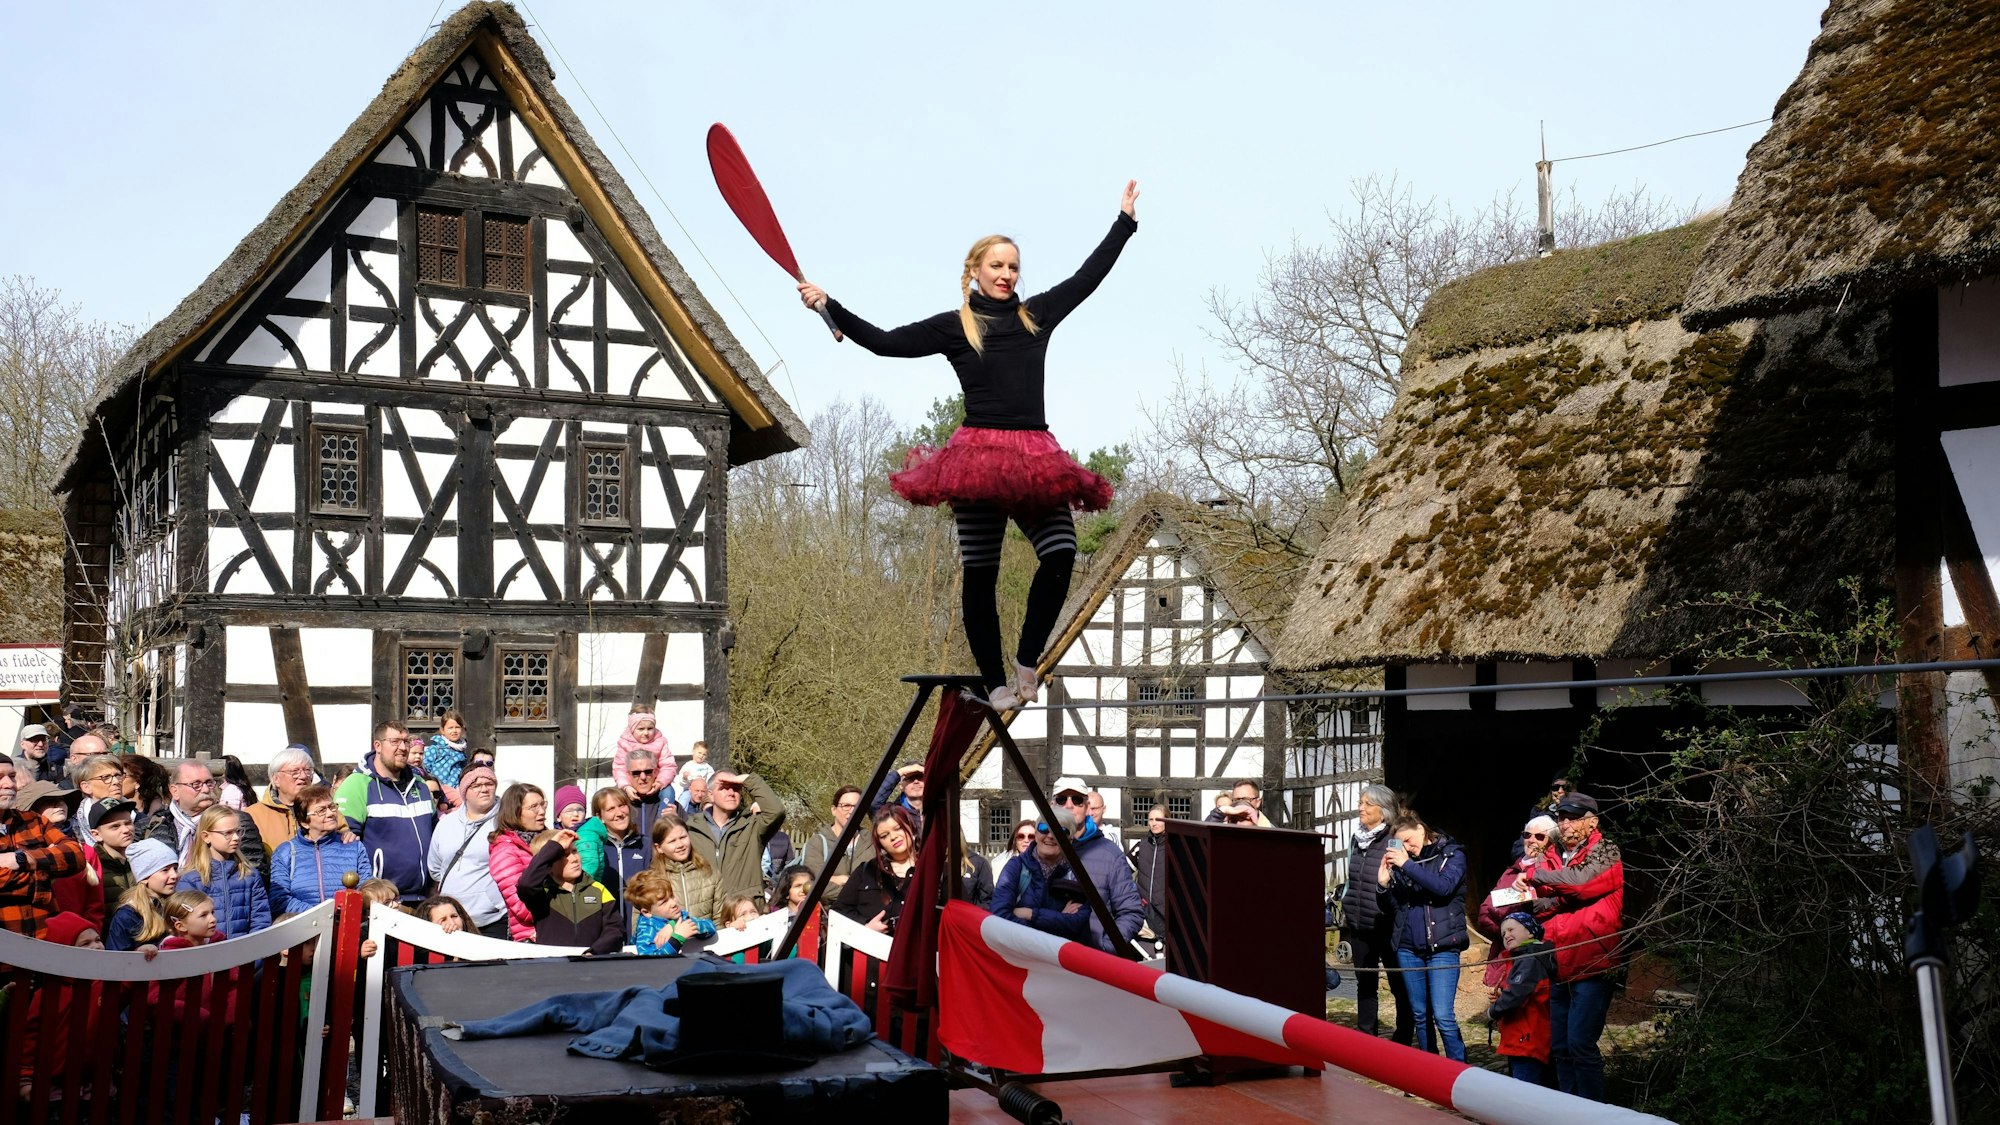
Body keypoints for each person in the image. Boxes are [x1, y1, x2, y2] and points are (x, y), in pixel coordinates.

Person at [797, 182, 1140, 709]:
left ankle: (1027, 657)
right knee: (982, 573)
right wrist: (831, 307)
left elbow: (1087, 279)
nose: (1006, 275)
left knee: (1061, 553)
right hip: (976, 460)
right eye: (997, 266)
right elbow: (888, 342)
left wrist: (1123, 223)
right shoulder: (956, 326)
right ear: (974, 271)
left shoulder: (1036, 316)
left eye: (1013, 267)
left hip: (1035, 457)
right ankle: (995, 681)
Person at [1515, 791, 1624, 1102]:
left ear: (1592, 822)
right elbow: (1540, 906)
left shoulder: (1606, 852)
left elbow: (1580, 884)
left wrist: (1540, 880)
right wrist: (1552, 891)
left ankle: (1592, 1113)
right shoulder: (1552, 856)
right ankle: (1568, 1109)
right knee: (1560, 1047)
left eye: (1572, 818)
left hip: (1591, 962)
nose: (1564, 824)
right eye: (1561, 818)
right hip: (1558, 961)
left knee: (1580, 1044)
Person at [1378, 812, 1469, 1062]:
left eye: (1408, 839)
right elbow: (1394, 907)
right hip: (1408, 947)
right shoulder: (1405, 863)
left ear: (1421, 828)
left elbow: (1443, 888)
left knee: (1443, 1015)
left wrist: (1406, 863)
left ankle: (1459, 1071)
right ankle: (1430, 1070)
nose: (1407, 847)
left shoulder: (1452, 855)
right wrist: (1383, 885)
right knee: (1420, 1014)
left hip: (1443, 946)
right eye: (1401, 844)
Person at [1343, 785, 1416, 1046]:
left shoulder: (1394, 840)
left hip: (1386, 923)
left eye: (1367, 804)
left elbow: (1400, 880)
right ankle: (1366, 1038)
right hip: (1360, 921)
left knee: (1399, 985)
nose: (1360, 808)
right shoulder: (1356, 838)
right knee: (1365, 983)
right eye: (1360, 803)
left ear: (1383, 811)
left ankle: (1403, 1036)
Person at [334, 720, 438, 903]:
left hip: (424, 898)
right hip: (382, 901)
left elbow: (436, 834)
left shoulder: (420, 785)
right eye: (395, 741)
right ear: (378, 745)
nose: (403, 748)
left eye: (406, 742)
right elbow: (344, 845)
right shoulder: (357, 785)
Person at [1050, 778, 1146, 955]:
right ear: (1052, 804)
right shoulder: (1037, 851)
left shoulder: (1110, 854)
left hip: (1091, 962)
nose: (1069, 806)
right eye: (1062, 799)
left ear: (1087, 807)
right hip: (1046, 958)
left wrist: (1105, 947)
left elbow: (1131, 912)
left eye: (1077, 800)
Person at [0, 764, 86, 937]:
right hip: (5, 942)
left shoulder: (33, 820)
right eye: (0, 777)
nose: (9, 784)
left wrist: (23, 859)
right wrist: (48, 872)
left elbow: (76, 855)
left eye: (12, 776)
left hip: (46, 939)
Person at [427, 766, 507, 938]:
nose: (484, 789)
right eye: (476, 785)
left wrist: (491, 899)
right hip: (452, 922)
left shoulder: (507, 820)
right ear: (464, 791)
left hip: (493, 918)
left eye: (489, 783)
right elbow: (435, 869)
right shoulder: (446, 823)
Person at [684, 769, 786, 903]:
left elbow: (776, 811)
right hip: (705, 915)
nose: (731, 793)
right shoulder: (692, 828)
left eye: (736, 788)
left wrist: (748, 780)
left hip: (745, 912)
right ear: (711, 795)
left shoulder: (752, 827)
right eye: (725, 788)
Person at [517, 828, 624, 954]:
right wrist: (553, 846)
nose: (574, 859)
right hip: (552, 968)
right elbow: (525, 885)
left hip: (592, 966)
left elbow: (615, 930)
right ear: (548, 863)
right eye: (564, 855)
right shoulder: (542, 892)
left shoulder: (598, 890)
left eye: (574, 851)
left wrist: (594, 952)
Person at [270, 785, 373, 915]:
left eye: (332, 807)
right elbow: (279, 899)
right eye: (321, 811)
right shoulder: (285, 852)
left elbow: (368, 889)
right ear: (304, 822)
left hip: (346, 925)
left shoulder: (353, 846)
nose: (330, 814)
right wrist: (320, 914)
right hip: (303, 928)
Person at [991, 808, 1088, 942]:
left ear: (1070, 839)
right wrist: (1057, 919)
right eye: (1044, 828)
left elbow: (1077, 922)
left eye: (1061, 831)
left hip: (1058, 959)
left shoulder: (1077, 872)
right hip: (1022, 956)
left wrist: (1030, 914)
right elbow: (999, 915)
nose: (1051, 835)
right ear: (1036, 834)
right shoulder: (1016, 867)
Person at [177, 806, 272, 938]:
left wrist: (253, 954)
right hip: (207, 955)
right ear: (206, 836)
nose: (236, 838)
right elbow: (187, 926)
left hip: (245, 954)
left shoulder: (249, 874)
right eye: (227, 833)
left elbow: (261, 920)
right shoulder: (191, 879)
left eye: (238, 831)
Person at [1486, 912, 1557, 1085]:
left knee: (1524, 1090)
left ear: (1530, 932)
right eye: (1503, 934)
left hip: (1526, 1039)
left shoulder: (1528, 959)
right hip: (1524, 1038)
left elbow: (1517, 993)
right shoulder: (1524, 958)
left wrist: (1493, 1011)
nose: (1507, 935)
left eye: (1511, 929)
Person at [835, 805, 920, 934]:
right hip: (872, 950)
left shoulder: (937, 870)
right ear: (879, 843)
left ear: (911, 828)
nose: (893, 837)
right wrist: (865, 927)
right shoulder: (866, 871)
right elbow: (839, 911)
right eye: (884, 835)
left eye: (898, 829)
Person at [576, 786, 650, 927]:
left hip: (640, 930)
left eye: (622, 806)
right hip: (604, 929)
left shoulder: (645, 845)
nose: (619, 813)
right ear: (599, 817)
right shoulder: (594, 848)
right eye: (610, 809)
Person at [486, 783, 548, 941]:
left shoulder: (550, 840)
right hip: (532, 937)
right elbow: (522, 907)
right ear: (515, 812)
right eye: (533, 807)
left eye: (542, 804)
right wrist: (563, 909)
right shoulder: (504, 851)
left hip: (557, 930)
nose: (541, 811)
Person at [801, 786, 875, 903]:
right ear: (833, 810)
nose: (852, 811)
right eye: (846, 806)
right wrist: (855, 894)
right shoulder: (818, 843)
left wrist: (836, 880)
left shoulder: (872, 842)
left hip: (865, 914)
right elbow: (815, 886)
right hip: (828, 913)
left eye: (857, 806)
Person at [105, 838, 179, 952]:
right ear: (144, 878)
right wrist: (137, 954)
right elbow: (116, 959)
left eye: (175, 868)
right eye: (165, 870)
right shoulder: (128, 915)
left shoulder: (180, 904)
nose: (174, 875)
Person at [648, 815, 722, 925]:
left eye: (683, 837)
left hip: (707, 940)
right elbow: (642, 926)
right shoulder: (651, 881)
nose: (680, 845)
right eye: (672, 841)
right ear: (659, 848)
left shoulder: (710, 873)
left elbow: (719, 919)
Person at [249, 745, 318, 856]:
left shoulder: (326, 809)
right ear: (276, 779)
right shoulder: (253, 815)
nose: (303, 776)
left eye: (307, 770)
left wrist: (346, 835)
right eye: (295, 771)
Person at [626, 869, 712, 956]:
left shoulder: (677, 917)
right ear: (647, 912)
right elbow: (650, 961)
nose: (673, 903)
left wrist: (673, 925)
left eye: (672, 896)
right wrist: (677, 939)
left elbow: (711, 927)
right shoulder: (647, 930)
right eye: (664, 902)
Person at [87, 796, 140, 922]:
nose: (126, 830)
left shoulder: (144, 858)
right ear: (96, 835)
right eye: (115, 826)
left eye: (128, 823)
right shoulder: (91, 869)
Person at [1129, 804, 1169, 951]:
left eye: (1158, 819)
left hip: (1166, 915)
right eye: (1150, 819)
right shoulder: (1141, 845)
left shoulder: (1175, 846)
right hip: (1144, 912)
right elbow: (1122, 872)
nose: (1154, 823)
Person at [1511, 774, 1574, 861]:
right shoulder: (1539, 811)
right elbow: (1518, 849)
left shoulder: (1580, 816)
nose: (1560, 791)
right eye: (1555, 787)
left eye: (1565, 788)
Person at [610, 710, 675, 792]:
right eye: (641, 729)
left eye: (650, 728)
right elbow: (619, 767)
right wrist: (626, 786)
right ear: (632, 730)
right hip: (631, 783)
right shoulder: (625, 744)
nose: (646, 733)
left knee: (668, 792)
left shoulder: (660, 742)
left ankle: (665, 805)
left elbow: (668, 766)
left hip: (655, 781)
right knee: (616, 796)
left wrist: (660, 782)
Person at [622, 749, 674, 840]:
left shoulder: (670, 804)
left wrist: (676, 822)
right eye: (636, 773)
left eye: (648, 771)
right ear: (628, 775)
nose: (643, 777)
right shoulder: (618, 805)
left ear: (656, 772)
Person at [422, 711, 471, 807]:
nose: (454, 731)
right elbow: (426, 768)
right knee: (463, 806)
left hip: (456, 788)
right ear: (442, 730)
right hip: (441, 788)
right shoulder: (435, 749)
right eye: (450, 728)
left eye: (457, 727)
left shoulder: (461, 748)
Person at [1205, 780, 1273, 827]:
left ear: (1258, 802)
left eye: (1246, 799)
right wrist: (1219, 813)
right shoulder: (1225, 824)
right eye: (1236, 800)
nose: (1241, 804)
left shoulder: (1270, 831)